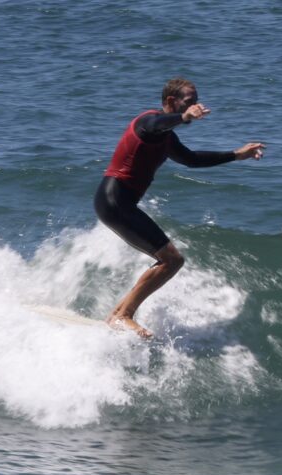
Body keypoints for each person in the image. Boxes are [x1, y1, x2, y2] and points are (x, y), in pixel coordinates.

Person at [94, 77, 265, 338]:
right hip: (114, 200)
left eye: (196, 101)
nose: (196, 105)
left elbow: (192, 160)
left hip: (118, 203)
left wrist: (235, 155)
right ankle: (124, 316)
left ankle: (118, 314)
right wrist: (185, 117)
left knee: (169, 261)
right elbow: (157, 123)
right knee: (172, 260)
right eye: (190, 101)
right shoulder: (148, 123)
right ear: (171, 101)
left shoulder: (167, 139)